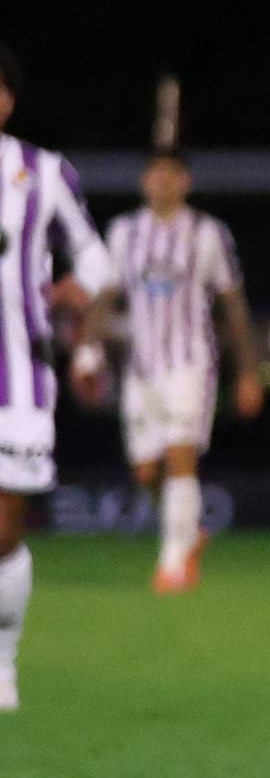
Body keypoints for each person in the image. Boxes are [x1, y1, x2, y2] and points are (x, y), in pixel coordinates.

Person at [0, 43, 115, 713]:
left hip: (18, 376)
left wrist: (75, 289)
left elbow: (96, 259)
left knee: (6, 525)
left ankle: (4, 663)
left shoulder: (42, 174)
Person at [97, 153, 264, 593]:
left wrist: (246, 371)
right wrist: (88, 353)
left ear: (185, 182)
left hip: (191, 362)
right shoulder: (123, 233)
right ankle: (189, 531)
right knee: (147, 471)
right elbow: (106, 294)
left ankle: (173, 564)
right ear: (143, 181)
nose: (162, 182)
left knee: (180, 456)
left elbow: (232, 302)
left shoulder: (207, 233)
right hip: (140, 368)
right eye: (155, 174)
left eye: (171, 175)